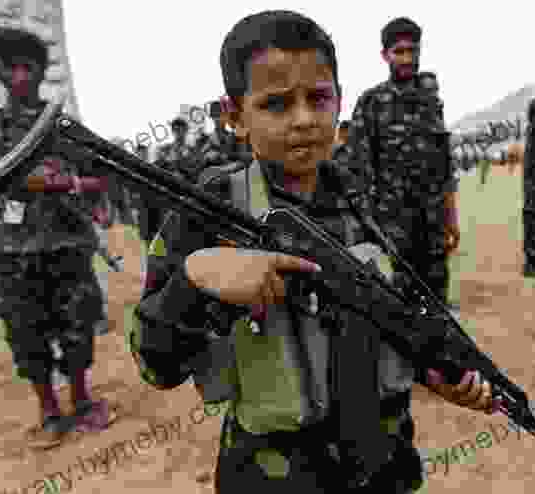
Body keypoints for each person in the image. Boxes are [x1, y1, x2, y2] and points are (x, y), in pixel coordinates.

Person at [128, 10, 499, 493]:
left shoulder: (368, 198)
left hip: (384, 462)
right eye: (277, 104)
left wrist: (436, 373)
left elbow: (404, 313)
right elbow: (156, 367)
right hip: (274, 475)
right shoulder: (211, 209)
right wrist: (195, 280)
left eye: (318, 98)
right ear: (235, 115)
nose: (303, 119)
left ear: (339, 101)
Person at [0, 26, 117, 448]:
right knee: (25, 331)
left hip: (68, 243)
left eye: (26, 65)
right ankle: (49, 409)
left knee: (78, 323)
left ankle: (83, 399)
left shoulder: (62, 126)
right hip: (14, 252)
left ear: (37, 69)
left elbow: (96, 179)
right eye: (7, 65)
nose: (18, 75)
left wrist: (65, 184)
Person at [338, 17, 459, 310]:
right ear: (385, 56)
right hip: (392, 224)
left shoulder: (431, 101)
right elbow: (357, 170)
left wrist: (451, 215)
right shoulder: (372, 102)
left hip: (432, 220)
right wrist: (366, 226)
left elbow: (444, 165)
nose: (407, 58)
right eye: (399, 51)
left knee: (437, 295)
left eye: (412, 51)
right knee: (400, 300)